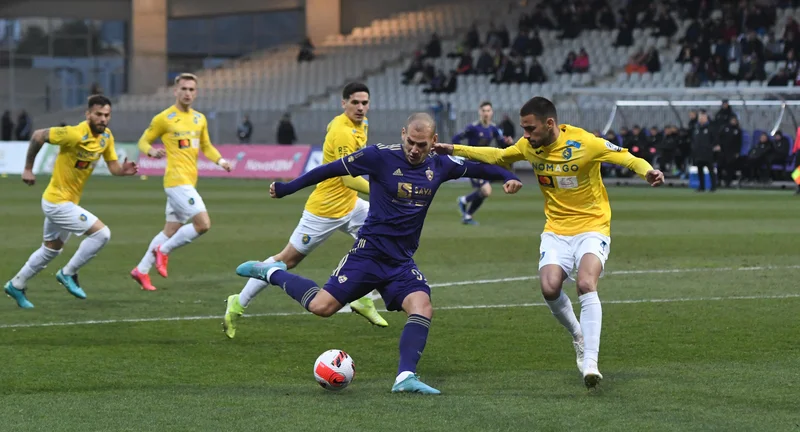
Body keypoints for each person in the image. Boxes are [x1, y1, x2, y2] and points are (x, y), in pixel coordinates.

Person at [235, 113, 522, 394]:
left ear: (434, 141)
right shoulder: (379, 156)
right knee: (321, 308)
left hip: (400, 262)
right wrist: (288, 188)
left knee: (422, 306)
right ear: (402, 134)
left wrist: (508, 176)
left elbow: (479, 168)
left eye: (422, 144)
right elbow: (330, 169)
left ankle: (405, 376)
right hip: (368, 255)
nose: (414, 149)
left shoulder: (441, 164)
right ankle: (270, 272)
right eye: (410, 141)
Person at [433, 97, 664, 389]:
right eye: (523, 129)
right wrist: (453, 149)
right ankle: (578, 335)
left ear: (550, 123)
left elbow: (626, 157)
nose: (526, 135)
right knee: (549, 286)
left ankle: (590, 361)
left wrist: (648, 172)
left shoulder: (584, 143)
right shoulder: (529, 146)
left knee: (585, 284)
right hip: (556, 229)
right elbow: (497, 155)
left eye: (530, 129)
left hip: (592, 226)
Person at [223, 83, 387, 339]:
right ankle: (238, 302)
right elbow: (349, 179)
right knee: (286, 260)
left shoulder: (361, 125)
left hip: (351, 204)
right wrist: (383, 191)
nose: (361, 107)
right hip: (325, 209)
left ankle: (364, 298)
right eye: (355, 102)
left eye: (365, 103)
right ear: (343, 103)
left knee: (382, 237)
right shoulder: (342, 131)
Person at [4, 95, 138, 308]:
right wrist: (28, 168)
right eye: (98, 114)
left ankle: (16, 284)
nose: (103, 119)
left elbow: (113, 167)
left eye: (106, 115)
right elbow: (39, 135)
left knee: (51, 249)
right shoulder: (74, 133)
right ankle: (68, 273)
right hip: (57, 202)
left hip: (66, 202)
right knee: (102, 234)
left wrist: (124, 171)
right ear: (88, 115)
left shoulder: (106, 138)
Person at [130, 73, 232, 290]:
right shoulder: (164, 118)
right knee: (203, 224)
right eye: (183, 89)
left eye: (191, 90)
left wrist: (221, 161)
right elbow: (143, 141)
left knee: (169, 230)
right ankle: (163, 251)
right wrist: (151, 152)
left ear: (196, 93)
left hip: (189, 181)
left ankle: (141, 270)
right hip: (176, 181)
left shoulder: (199, 119)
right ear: (175, 91)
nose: (187, 93)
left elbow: (206, 146)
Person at [452, 101, 513, 225]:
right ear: (480, 112)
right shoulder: (473, 127)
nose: (486, 113)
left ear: (492, 112)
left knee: (485, 192)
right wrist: (463, 153)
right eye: (484, 111)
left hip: (485, 162)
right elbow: (456, 138)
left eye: (488, 111)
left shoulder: (494, 128)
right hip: (473, 164)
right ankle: (465, 205)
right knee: (486, 190)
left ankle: (465, 206)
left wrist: (508, 143)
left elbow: (502, 144)